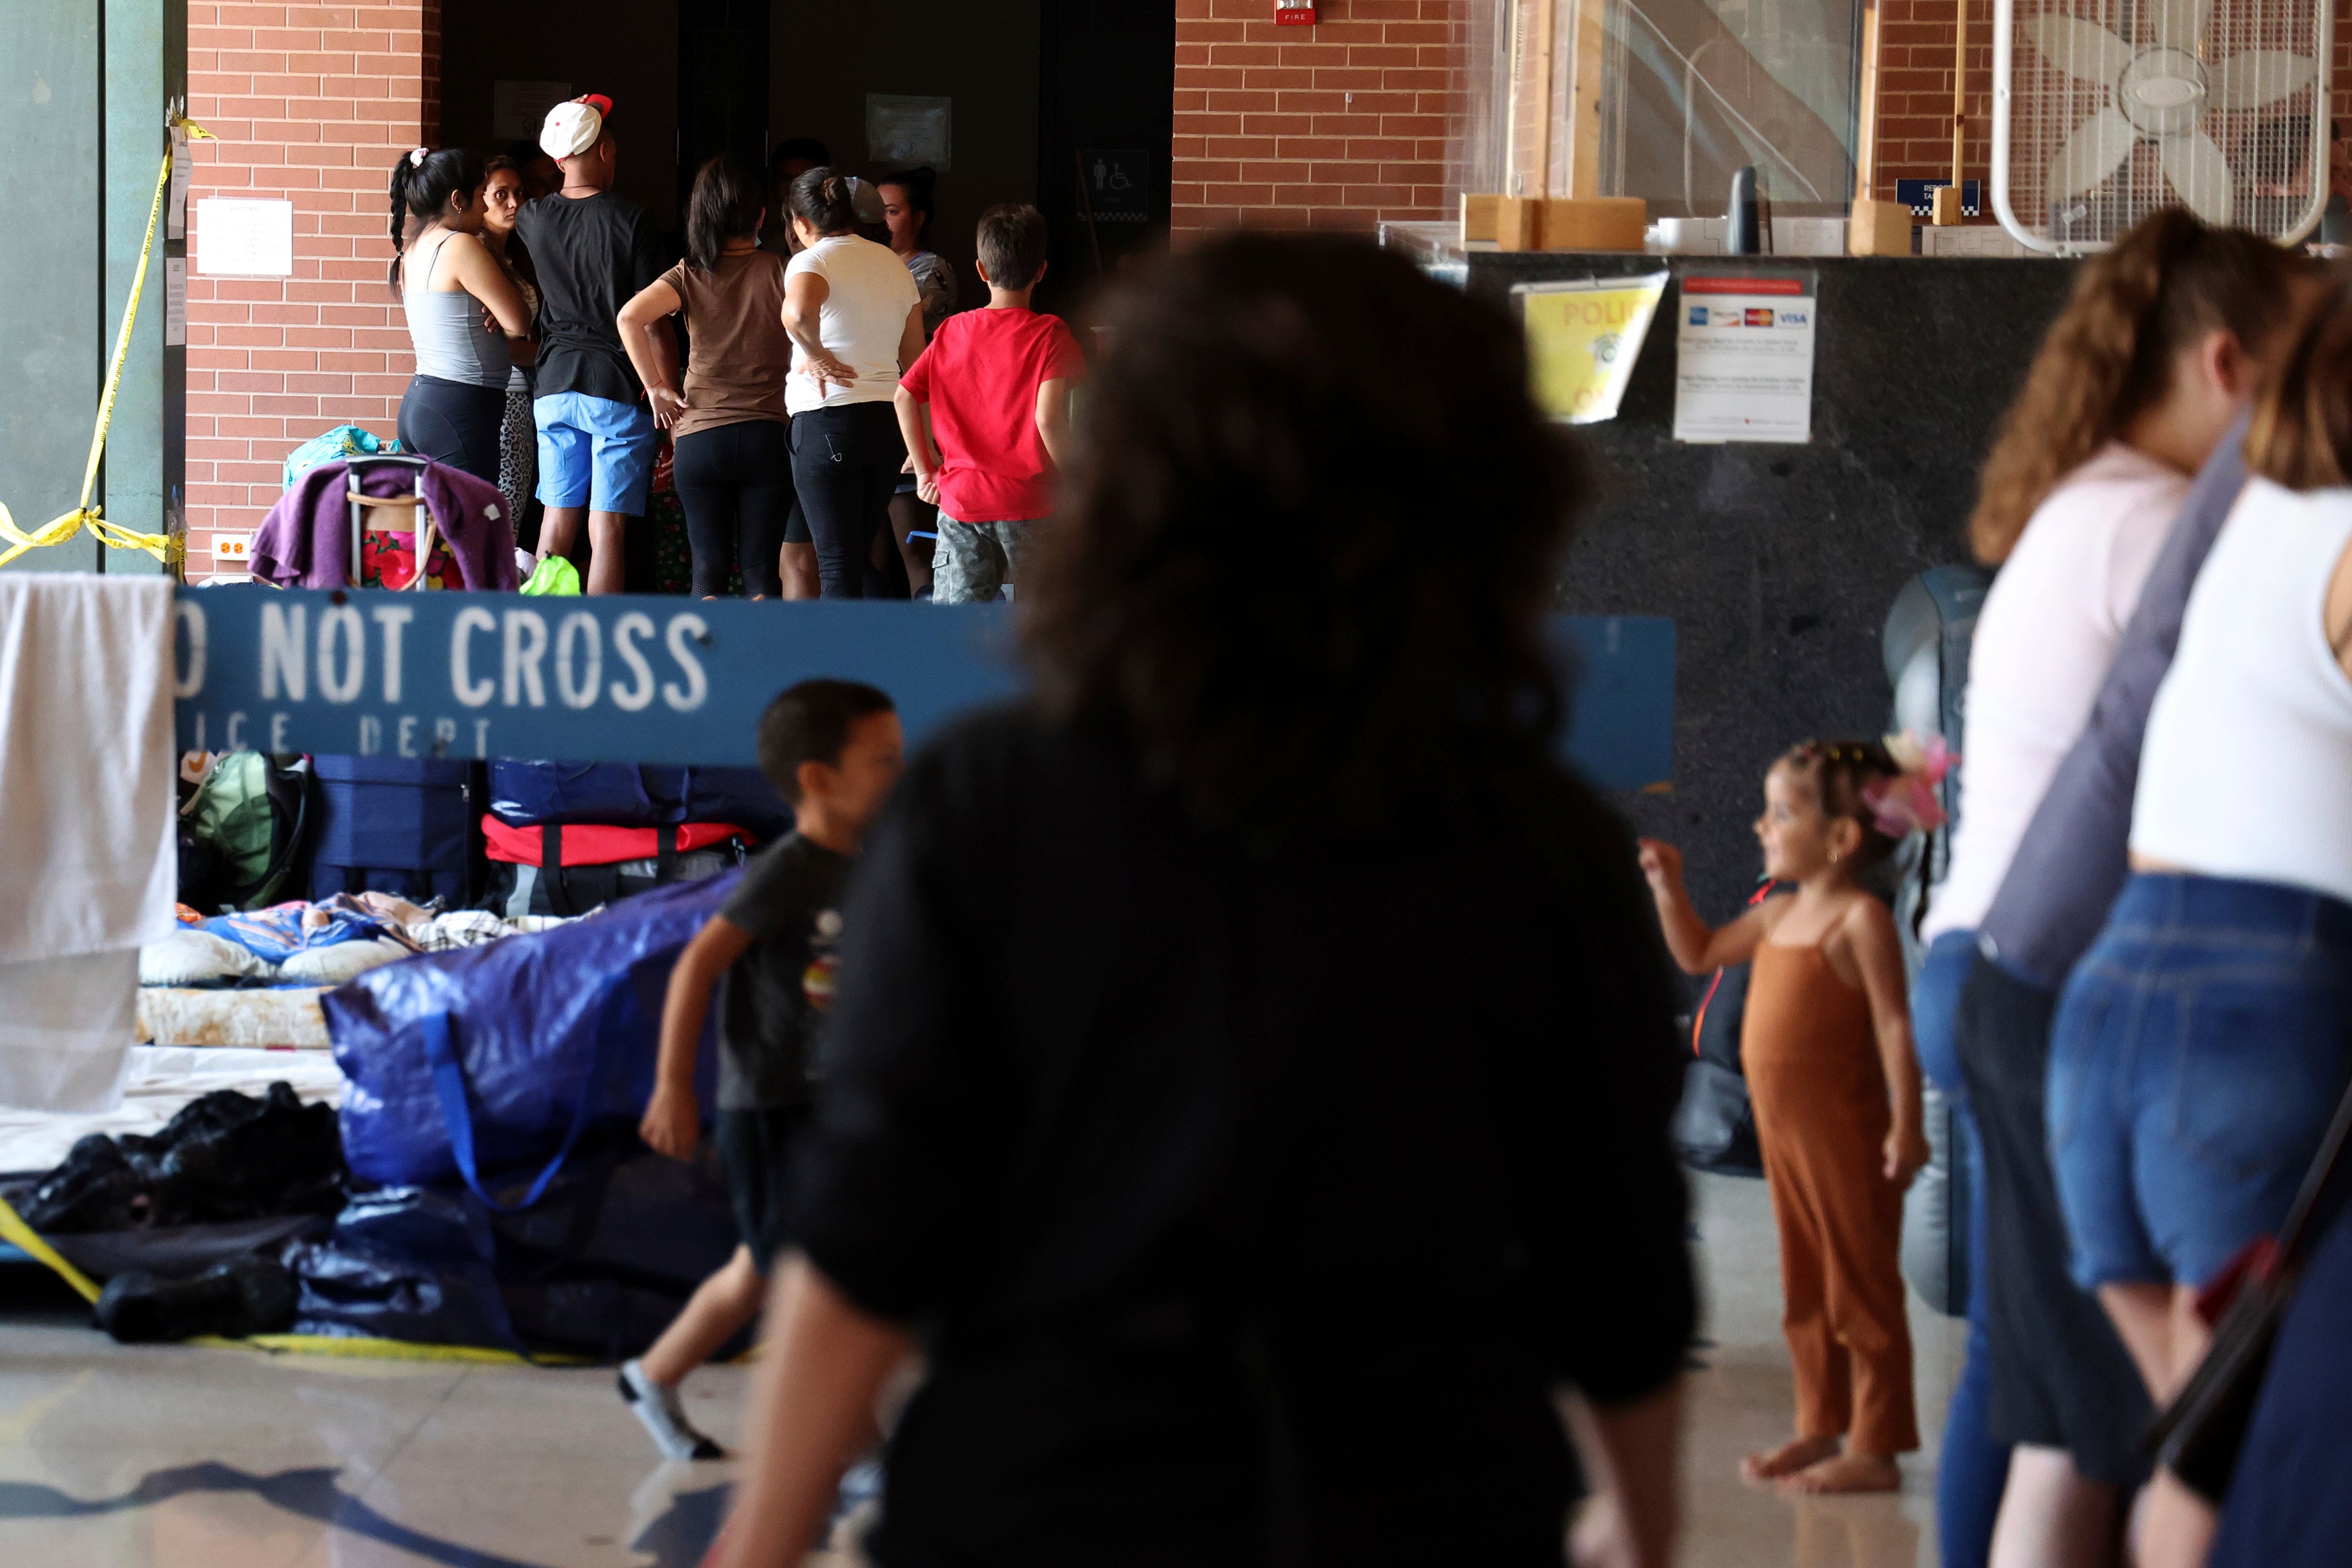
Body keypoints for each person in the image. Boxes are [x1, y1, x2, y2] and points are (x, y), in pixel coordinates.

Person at [706, 236, 1693, 1568]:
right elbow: (1614, 1245)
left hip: (1046, 1503)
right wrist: (1644, 1519)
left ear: (1137, 488)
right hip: (1422, 1506)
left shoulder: (989, 805)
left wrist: (762, 1540)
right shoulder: (1544, 843)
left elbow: (875, 1217)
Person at [1937, 209, 2313, 1568]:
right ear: (2229, 367)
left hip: (2012, 959)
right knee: (2098, 1423)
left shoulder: (2093, 499)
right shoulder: (2161, 521)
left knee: (2041, 1393)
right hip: (2063, 966)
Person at [2046, 272, 2352, 1568]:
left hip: (2111, 1020)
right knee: (2251, 1473)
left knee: (2204, 1460)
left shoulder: (2261, 515)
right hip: (2258, 1022)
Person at [1639, 742, 1933, 1495]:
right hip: (1785, 1140)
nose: (1761, 826)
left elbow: (1895, 1027)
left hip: (1848, 1141)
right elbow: (1701, 954)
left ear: (1840, 838)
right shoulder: (1775, 915)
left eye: (1781, 814)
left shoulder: (1860, 922)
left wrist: (1907, 1124)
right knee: (1805, 1290)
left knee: (1858, 1289)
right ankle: (1818, 1423)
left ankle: (1875, 1446)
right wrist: (1669, 889)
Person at [621, 679, 904, 1462]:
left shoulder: (861, 865)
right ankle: (854, 1449)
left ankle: (652, 1376)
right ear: (819, 779)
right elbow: (697, 966)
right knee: (804, 1282)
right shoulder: (789, 870)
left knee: (758, 1269)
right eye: (884, 761)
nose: (900, 774)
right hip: (770, 1106)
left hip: (824, 1102)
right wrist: (673, 1086)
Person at [617, 155, 797, 600]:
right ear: (761, 216)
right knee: (761, 572)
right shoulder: (783, 271)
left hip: (701, 440)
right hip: (767, 436)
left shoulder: (688, 274)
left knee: (708, 570)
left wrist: (657, 388)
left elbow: (629, 318)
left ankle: (706, 646)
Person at [893, 203, 1081, 605]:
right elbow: (1048, 419)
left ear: (981, 270)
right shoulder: (1051, 335)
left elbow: (904, 395)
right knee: (1043, 619)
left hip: (962, 501)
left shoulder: (951, 331)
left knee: (958, 625)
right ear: (1041, 271)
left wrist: (925, 470)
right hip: (1032, 503)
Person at [517, 93, 663, 594]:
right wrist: (663, 385)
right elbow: (651, 319)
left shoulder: (533, 218)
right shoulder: (633, 219)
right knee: (608, 527)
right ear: (603, 151)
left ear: (559, 160)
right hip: (617, 387)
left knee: (556, 518)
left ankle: (542, 618)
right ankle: (601, 630)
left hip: (554, 384)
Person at [779, 168, 923, 598]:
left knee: (838, 566)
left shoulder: (813, 259)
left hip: (827, 421)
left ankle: (841, 645)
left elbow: (796, 315)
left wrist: (816, 353)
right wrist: (924, 438)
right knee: (855, 560)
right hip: (885, 426)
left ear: (801, 221)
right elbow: (917, 362)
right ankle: (882, 637)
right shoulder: (895, 265)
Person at [385, 147, 532, 487]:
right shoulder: (460, 245)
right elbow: (520, 322)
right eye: (481, 195)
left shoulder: (413, 249)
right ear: (457, 200)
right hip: (460, 407)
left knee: (436, 517)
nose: (485, 207)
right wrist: (502, 314)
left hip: (422, 402)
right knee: (473, 516)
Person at [877, 167, 956, 595]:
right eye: (877, 211)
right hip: (873, 416)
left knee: (916, 551)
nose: (882, 220)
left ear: (918, 217)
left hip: (912, 416)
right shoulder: (868, 268)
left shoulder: (931, 270)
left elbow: (891, 329)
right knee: (868, 557)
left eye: (892, 211)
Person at [480, 154, 543, 530]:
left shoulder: (513, 254)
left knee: (510, 513)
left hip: (522, 394)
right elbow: (493, 345)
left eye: (519, 192)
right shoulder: (477, 256)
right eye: (501, 194)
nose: (514, 202)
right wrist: (548, 354)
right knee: (503, 518)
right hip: (505, 398)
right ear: (479, 198)